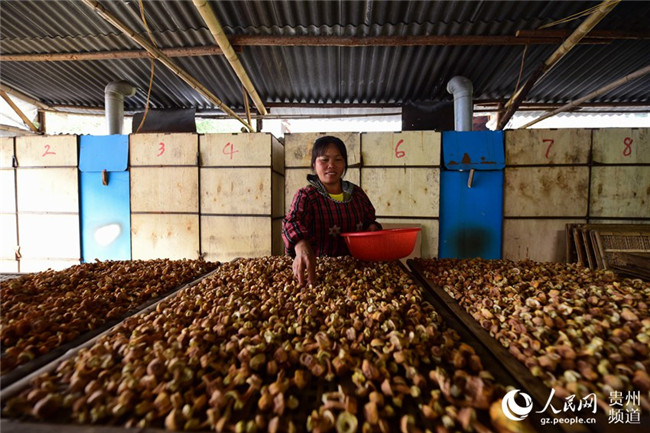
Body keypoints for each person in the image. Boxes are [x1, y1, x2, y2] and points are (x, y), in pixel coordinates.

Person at [282, 136, 381, 286]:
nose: (331, 165)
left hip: (358, 272)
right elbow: (292, 222)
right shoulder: (307, 196)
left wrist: (373, 229)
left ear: (345, 164)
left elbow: (370, 221)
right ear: (314, 164)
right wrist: (300, 245)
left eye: (338, 159)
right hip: (319, 272)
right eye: (324, 160)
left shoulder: (357, 194)